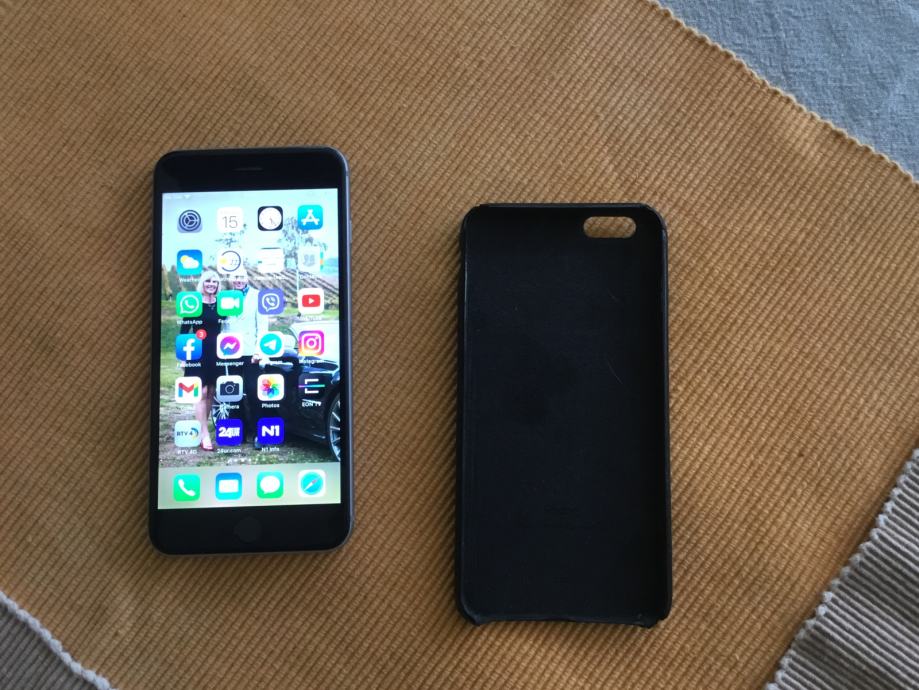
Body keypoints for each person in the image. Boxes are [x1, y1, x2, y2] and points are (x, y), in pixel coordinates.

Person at [222, 269, 269, 443]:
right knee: (232, 392)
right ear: (230, 279)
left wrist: (259, 351)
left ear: (247, 278)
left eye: (241, 277)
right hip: (230, 351)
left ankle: (258, 434)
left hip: (251, 353)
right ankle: (237, 433)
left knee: (253, 391)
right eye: (235, 277)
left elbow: (262, 327)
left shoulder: (257, 296)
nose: (238, 280)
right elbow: (224, 325)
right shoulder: (225, 297)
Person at [180, 269, 220, 450]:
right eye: (208, 281)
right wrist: (183, 358)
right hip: (196, 352)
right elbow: (184, 331)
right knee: (201, 392)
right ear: (202, 283)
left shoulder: (222, 304)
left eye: (214, 281)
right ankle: (204, 434)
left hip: (216, 352)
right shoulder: (194, 303)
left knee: (211, 391)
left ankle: (204, 428)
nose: (211, 284)